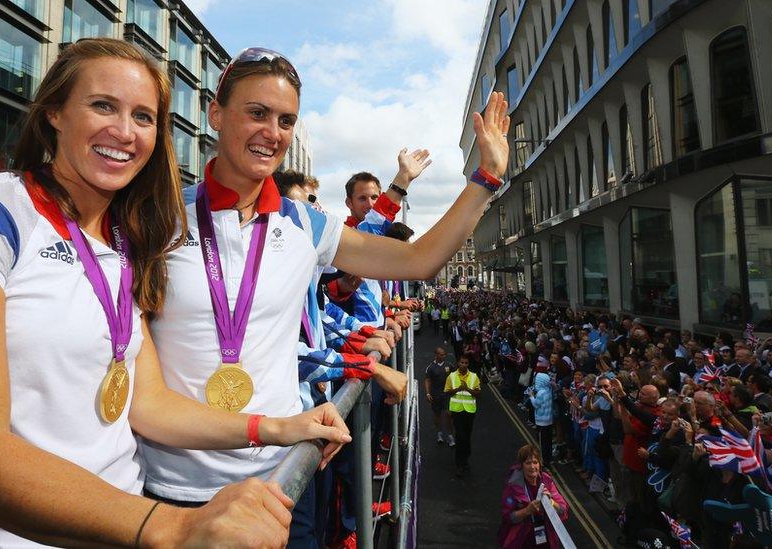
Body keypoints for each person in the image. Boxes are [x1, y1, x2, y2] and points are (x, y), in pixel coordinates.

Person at [0, 39, 352, 547]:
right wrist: (175, 525)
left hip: (120, 523)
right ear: (54, 114)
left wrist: (277, 427)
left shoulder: (121, 244)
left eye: (144, 116)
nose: (124, 131)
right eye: (103, 105)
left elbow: (147, 403)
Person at [141, 45, 511, 507]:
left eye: (285, 121)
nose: (271, 133)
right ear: (216, 114)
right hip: (176, 488)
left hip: (284, 479)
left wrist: (486, 178)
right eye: (257, 112)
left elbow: (418, 260)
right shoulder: (157, 217)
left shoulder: (305, 223)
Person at [498, 444, 569, 548]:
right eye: (528, 463)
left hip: (547, 538)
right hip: (523, 540)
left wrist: (551, 502)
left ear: (539, 464)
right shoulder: (513, 486)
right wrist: (527, 511)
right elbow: (508, 517)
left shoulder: (547, 480)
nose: (532, 467)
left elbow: (563, 509)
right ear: (521, 465)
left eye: (535, 462)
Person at [444, 354, 481, 476]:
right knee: (460, 437)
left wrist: (467, 389)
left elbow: (478, 393)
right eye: (461, 362)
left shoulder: (474, 377)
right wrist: (458, 389)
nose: (463, 365)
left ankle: (465, 458)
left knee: (467, 437)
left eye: (466, 363)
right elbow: (447, 391)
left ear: (468, 364)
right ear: (458, 363)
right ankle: (460, 464)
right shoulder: (452, 376)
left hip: (469, 411)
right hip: (457, 410)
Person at [425, 346, 454, 446]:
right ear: (436, 355)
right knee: (437, 415)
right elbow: (427, 380)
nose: (443, 356)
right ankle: (440, 434)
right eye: (441, 355)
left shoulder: (449, 365)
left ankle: (450, 436)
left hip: (447, 394)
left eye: (444, 354)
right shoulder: (431, 367)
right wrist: (428, 393)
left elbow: (455, 377)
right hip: (436, 395)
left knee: (449, 415)